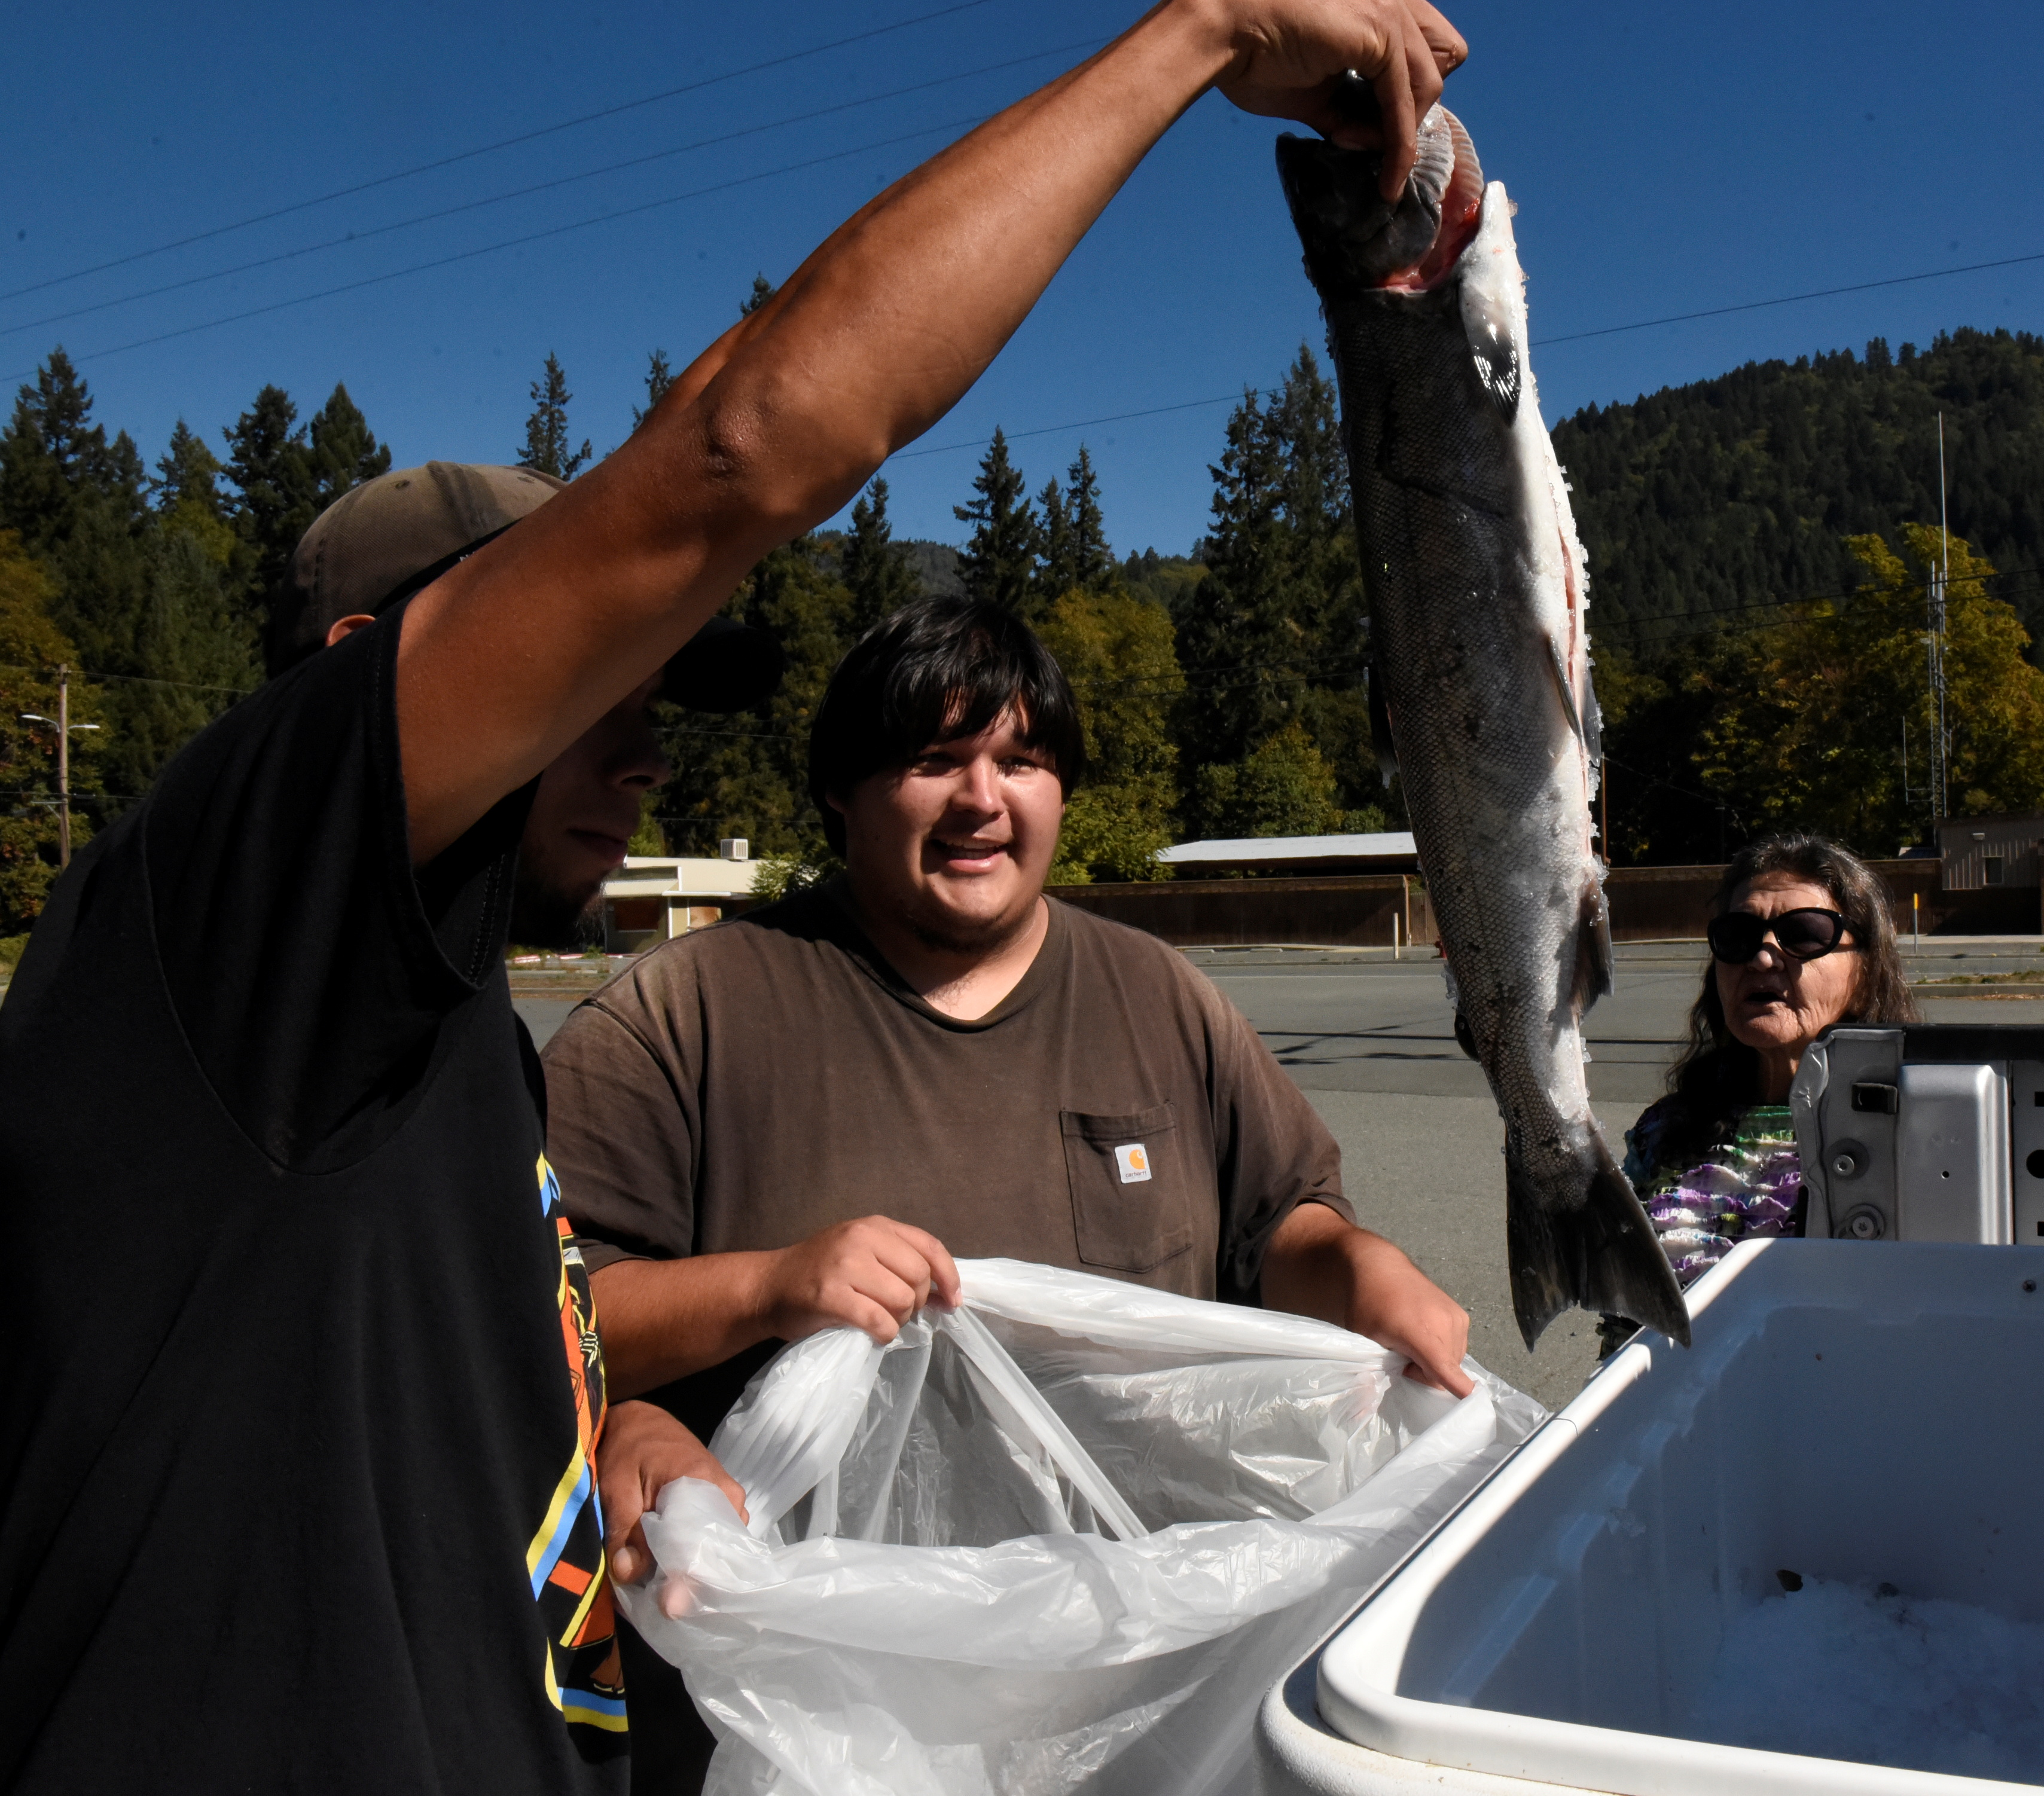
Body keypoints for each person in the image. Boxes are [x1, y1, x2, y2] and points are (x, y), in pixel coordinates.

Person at [0, 5, 1466, 1789]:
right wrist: (1202, 34)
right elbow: (742, 447)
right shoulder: (249, 902)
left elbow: (440, 1368)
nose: (642, 756)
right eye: (589, 696)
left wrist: (611, 1418)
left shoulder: (418, 1040)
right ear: (367, 674)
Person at [538, 597, 1476, 1794]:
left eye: (1022, 761)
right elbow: (544, 1313)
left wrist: (1357, 1267)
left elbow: (1279, 1222)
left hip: (1136, 1701)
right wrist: (766, 1289)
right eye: (936, 760)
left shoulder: (1159, 997)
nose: (985, 798)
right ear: (841, 792)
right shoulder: (686, 1014)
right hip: (816, 1717)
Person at [1619, 835, 1918, 1302]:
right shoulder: (1663, 1131)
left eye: (1803, 934)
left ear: (1866, 975)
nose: (1761, 956)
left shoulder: (1924, 1134)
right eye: (1738, 935)